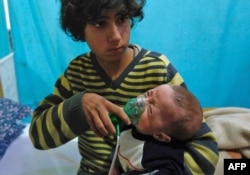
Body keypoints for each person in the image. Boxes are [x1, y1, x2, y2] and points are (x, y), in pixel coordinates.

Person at [29, 0, 218, 175]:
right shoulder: (76, 73)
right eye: (99, 23)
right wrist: (79, 106)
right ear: (80, 28)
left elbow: (201, 139)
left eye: (122, 19)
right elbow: (38, 137)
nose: (115, 36)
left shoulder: (157, 69)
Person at [115, 84, 203, 175]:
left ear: (160, 136)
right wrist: (115, 164)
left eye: (150, 110)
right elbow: (121, 145)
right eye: (148, 94)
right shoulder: (131, 124)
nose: (140, 101)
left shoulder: (161, 157)